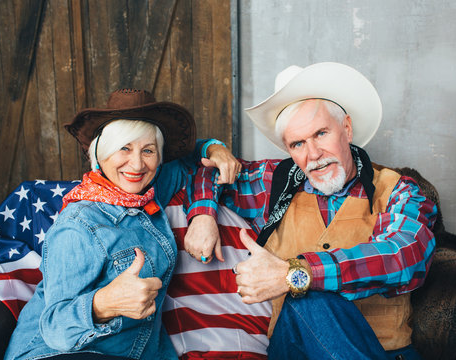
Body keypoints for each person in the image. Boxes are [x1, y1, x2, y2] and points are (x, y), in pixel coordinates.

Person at [184, 63, 438, 359]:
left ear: (346, 128)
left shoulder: (398, 190)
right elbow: (210, 173)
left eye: (320, 134)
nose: (313, 154)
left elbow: (405, 257)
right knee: (304, 303)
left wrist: (297, 273)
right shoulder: (274, 183)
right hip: (292, 350)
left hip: (382, 352)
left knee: (306, 297)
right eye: (298, 143)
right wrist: (203, 214)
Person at [3, 89, 239, 360]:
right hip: (54, 353)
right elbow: (55, 328)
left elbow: (194, 158)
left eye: (148, 150)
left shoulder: (148, 186)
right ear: (101, 154)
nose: (136, 163)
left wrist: (213, 158)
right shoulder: (78, 224)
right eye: (124, 148)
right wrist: (104, 303)